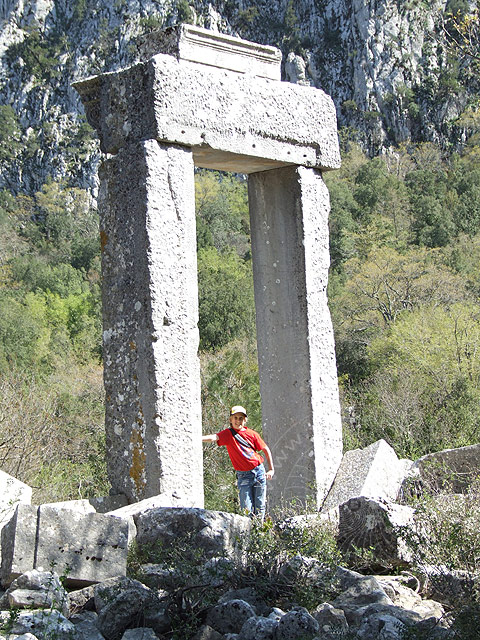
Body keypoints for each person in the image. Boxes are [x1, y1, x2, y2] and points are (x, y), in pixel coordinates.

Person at [202, 405, 274, 521]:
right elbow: (214, 437)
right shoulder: (228, 434)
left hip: (259, 471)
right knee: (246, 509)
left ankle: (258, 534)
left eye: (241, 418)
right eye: (235, 418)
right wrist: (197, 438)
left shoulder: (252, 434)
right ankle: (248, 535)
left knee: (260, 507)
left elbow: (265, 449)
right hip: (244, 475)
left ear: (245, 420)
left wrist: (271, 469)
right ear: (230, 419)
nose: (238, 421)